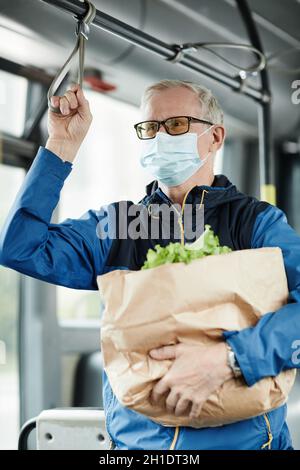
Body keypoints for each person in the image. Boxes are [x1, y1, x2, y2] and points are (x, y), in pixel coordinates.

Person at [0, 79, 299, 450]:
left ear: (215, 137)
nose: (161, 137)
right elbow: (19, 247)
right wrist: (61, 146)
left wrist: (232, 358)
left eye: (175, 125)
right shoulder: (118, 227)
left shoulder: (255, 224)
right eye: (150, 128)